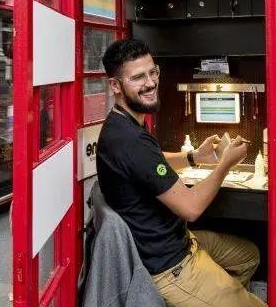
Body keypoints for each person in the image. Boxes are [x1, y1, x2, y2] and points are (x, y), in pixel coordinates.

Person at [97, 39, 266, 307]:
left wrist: (194, 157)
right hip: (170, 266)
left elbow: (151, 163)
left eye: (152, 72)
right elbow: (191, 208)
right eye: (138, 77)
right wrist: (225, 164)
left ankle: (220, 295)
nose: (150, 83)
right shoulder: (130, 141)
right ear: (115, 85)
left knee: (249, 256)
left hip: (181, 240)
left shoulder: (123, 123)